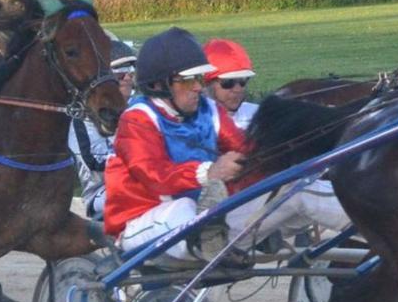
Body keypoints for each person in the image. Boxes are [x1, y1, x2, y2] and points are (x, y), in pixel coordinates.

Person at [104, 27, 350, 262]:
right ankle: (213, 245)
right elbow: (155, 176)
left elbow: (246, 150)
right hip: (142, 223)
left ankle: (373, 222)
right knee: (184, 208)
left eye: (199, 78)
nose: (200, 86)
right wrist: (209, 172)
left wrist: (293, 158)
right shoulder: (136, 119)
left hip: (208, 223)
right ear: (159, 85)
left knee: (296, 187)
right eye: (188, 80)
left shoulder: (208, 110)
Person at [67, 34, 137, 219]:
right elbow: (94, 161)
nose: (129, 77)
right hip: (103, 192)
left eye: (131, 69)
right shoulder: (82, 120)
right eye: (121, 72)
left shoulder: (139, 108)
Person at [203, 38, 258, 131]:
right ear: (205, 83)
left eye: (243, 81)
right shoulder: (193, 125)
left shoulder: (258, 115)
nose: (238, 89)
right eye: (228, 82)